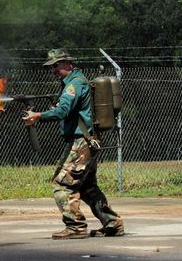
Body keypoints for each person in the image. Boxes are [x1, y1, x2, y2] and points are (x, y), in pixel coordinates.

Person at [22, 49, 124, 239]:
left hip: (82, 143)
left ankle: (76, 227)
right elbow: (68, 111)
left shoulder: (73, 84)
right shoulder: (75, 81)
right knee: (87, 187)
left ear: (69, 63)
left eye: (57, 65)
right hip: (86, 141)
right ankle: (113, 224)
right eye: (51, 67)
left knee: (62, 185)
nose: (53, 69)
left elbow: (62, 111)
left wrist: (38, 116)